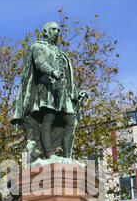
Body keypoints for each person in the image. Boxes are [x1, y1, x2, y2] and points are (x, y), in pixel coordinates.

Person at [12, 22, 87, 160]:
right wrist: (53, 72)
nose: (57, 32)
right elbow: (40, 63)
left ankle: (67, 157)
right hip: (47, 87)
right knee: (49, 117)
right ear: (45, 31)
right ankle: (49, 154)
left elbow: (68, 76)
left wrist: (76, 92)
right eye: (53, 29)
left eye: (58, 30)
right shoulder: (37, 46)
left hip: (63, 91)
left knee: (72, 120)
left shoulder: (62, 54)